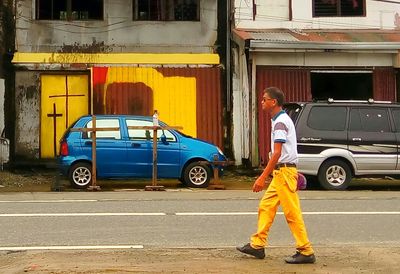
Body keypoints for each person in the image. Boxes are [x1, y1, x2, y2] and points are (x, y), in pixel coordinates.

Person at [237, 87, 316, 264]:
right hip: (281, 172)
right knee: (266, 206)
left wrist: (261, 177)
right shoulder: (279, 120)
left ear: (274, 102)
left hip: (284, 172)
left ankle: (306, 250)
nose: (262, 102)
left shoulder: (280, 122)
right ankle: (257, 245)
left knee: (292, 213)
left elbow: (277, 153)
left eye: (265, 99)